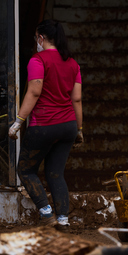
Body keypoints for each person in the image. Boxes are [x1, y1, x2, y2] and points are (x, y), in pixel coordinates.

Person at [8, 19, 83, 232]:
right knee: (56, 172)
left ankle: (46, 212)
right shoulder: (73, 63)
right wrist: (79, 129)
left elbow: (34, 91)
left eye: (36, 38)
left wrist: (18, 121)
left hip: (44, 125)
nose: (35, 42)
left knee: (26, 170)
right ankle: (63, 221)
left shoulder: (37, 60)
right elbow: (76, 99)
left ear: (41, 38)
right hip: (68, 125)